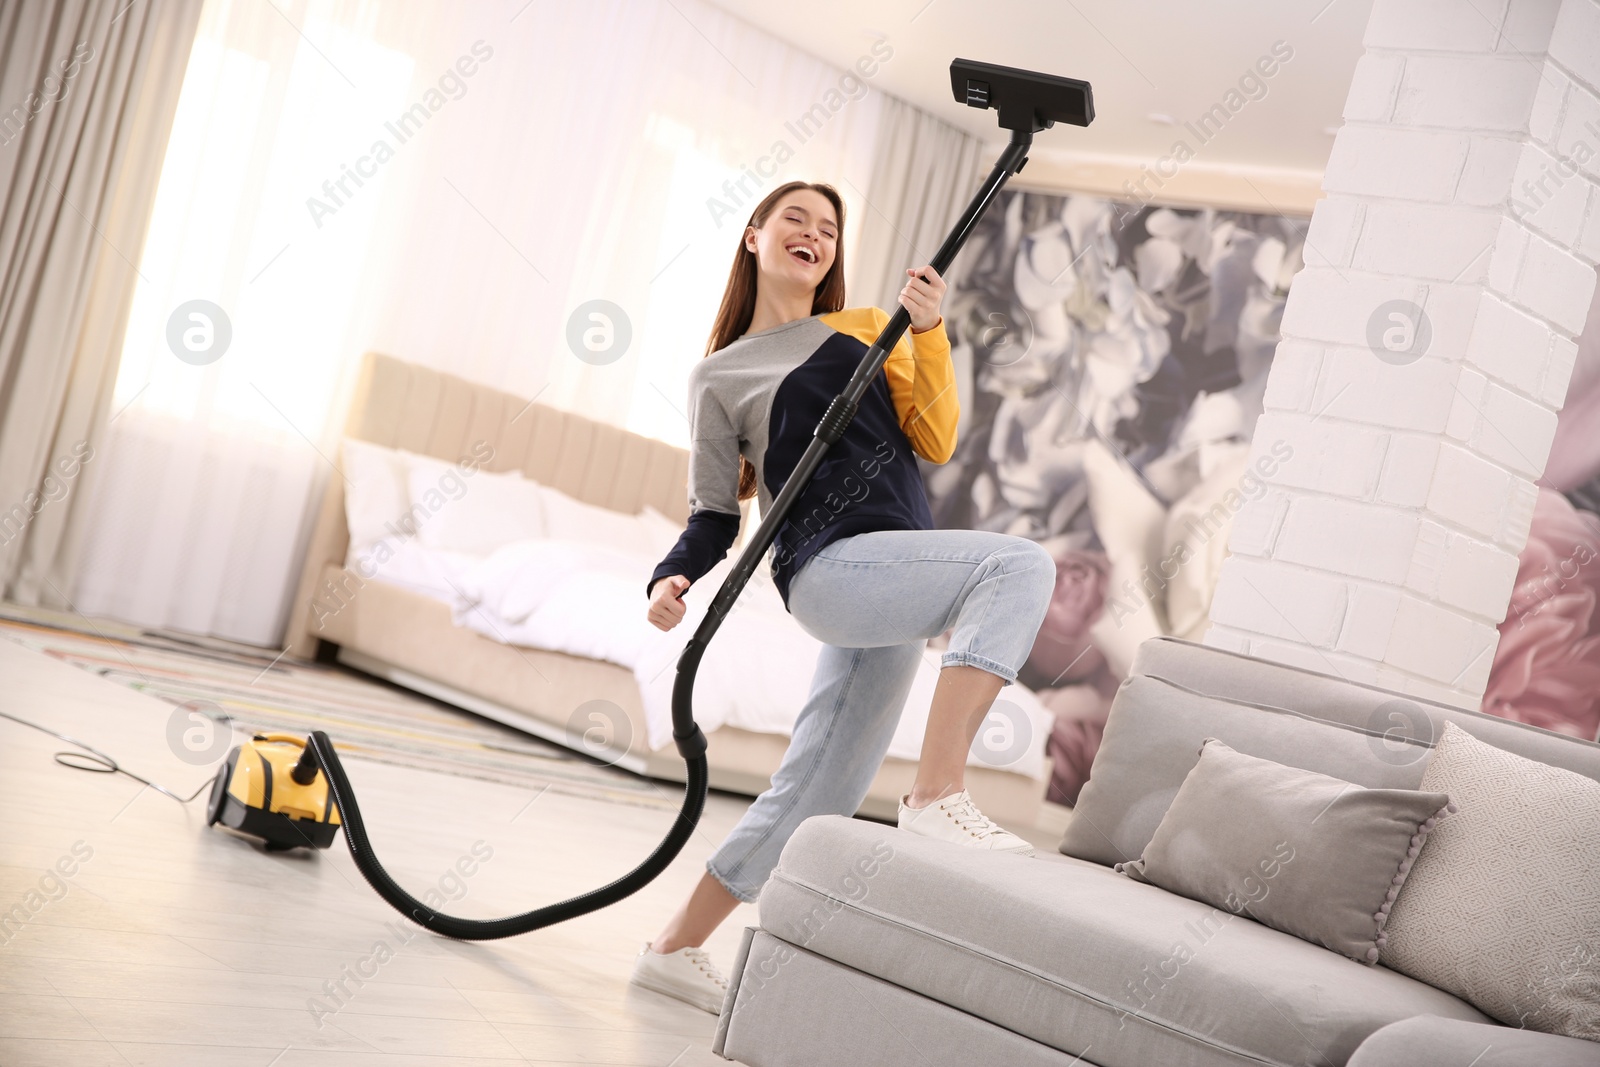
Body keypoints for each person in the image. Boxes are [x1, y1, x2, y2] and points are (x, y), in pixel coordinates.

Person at [629, 180, 1056, 1014]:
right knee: (1019, 565)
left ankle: (672, 947)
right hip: (827, 567)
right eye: (796, 219)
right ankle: (937, 794)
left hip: (889, 570)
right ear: (754, 236)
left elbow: (936, 436)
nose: (815, 235)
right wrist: (671, 575)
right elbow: (716, 513)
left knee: (817, 788)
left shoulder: (870, 328)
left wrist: (930, 332)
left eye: (828, 228)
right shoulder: (719, 375)